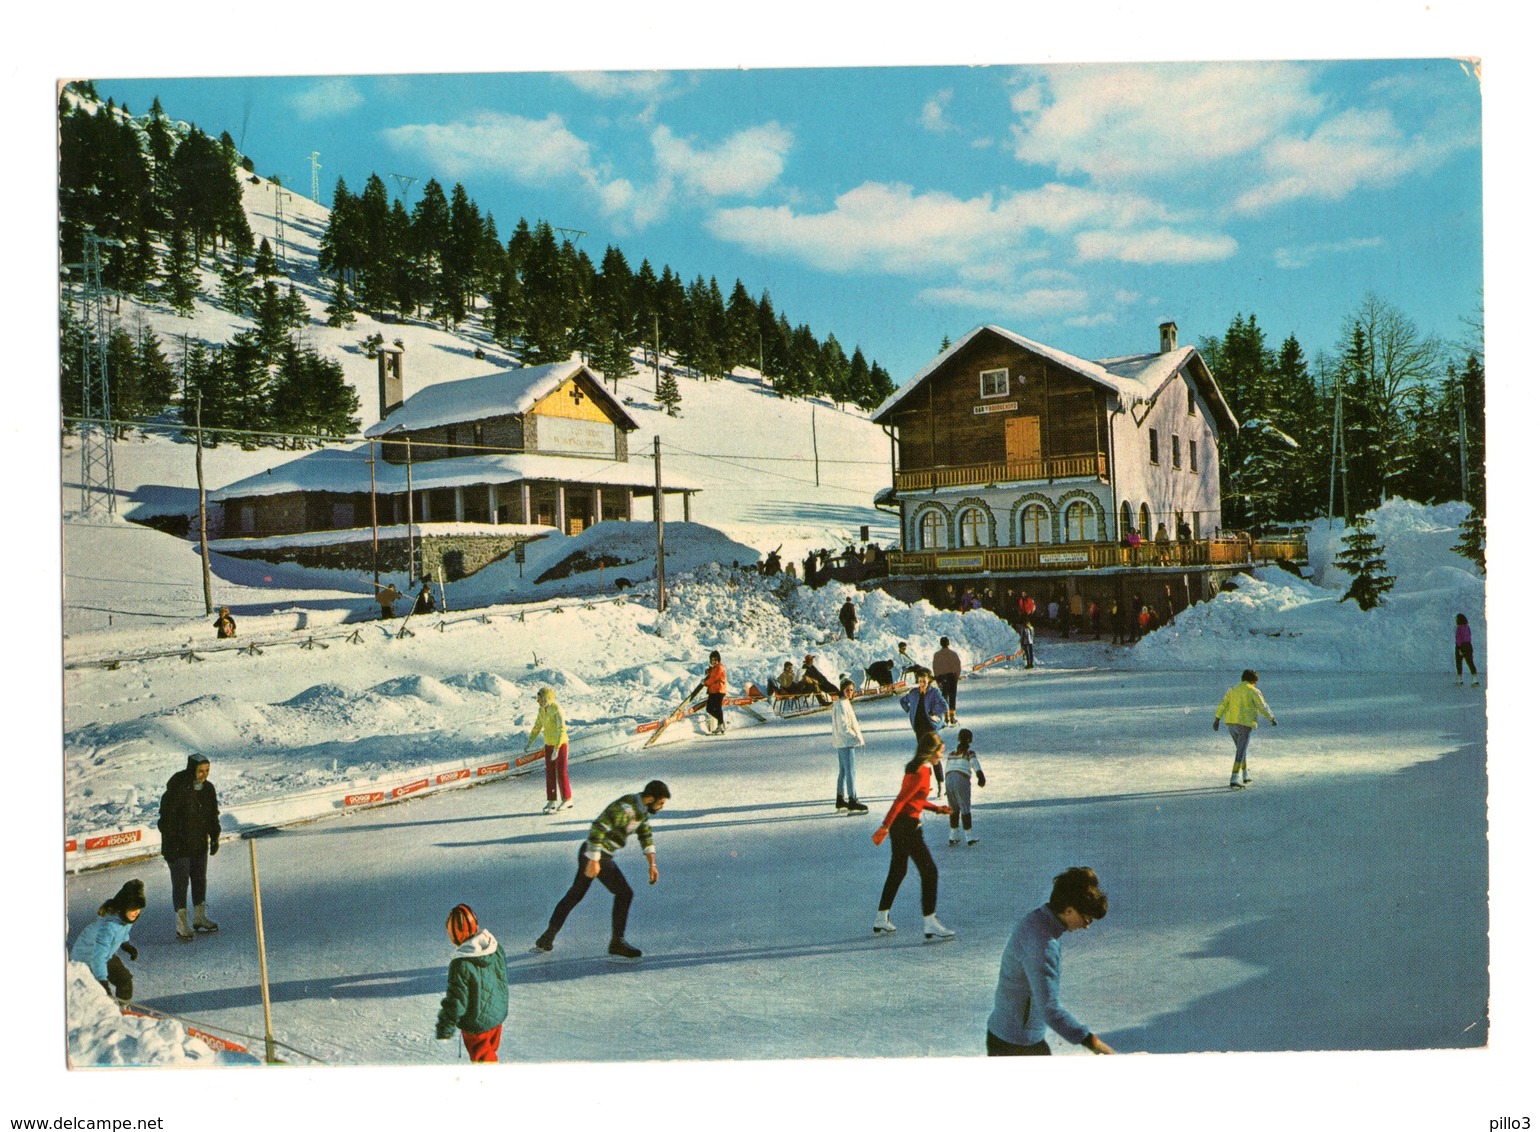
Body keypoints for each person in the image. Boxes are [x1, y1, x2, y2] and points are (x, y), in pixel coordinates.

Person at [533, 780, 671, 960]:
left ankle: (547, 937)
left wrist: (652, 864)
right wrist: (594, 859)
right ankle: (617, 943)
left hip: (595, 854)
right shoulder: (625, 807)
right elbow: (598, 827)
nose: (661, 807)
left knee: (575, 894)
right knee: (624, 893)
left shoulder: (642, 811)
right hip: (595, 854)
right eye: (660, 803)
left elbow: (645, 835)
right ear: (650, 798)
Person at [987, 867, 1116, 1056]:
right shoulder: (1043, 944)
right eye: (1086, 919)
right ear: (1070, 911)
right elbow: (1050, 1010)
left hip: (1013, 1035)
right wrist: (1093, 1043)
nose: (1087, 926)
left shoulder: (1037, 920)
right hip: (1016, 1045)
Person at [871, 732, 953, 940]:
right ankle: (930, 922)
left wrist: (936, 809)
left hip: (902, 825)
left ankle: (881, 917)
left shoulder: (919, 769)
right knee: (930, 871)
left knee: (898, 870)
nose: (940, 757)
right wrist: (884, 826)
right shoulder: (920, 772)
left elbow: (913, 799)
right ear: (930, 752)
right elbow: (901, 800)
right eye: (939, 753)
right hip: (906, 827)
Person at [157, 754, 222, 941]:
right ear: (191, 769)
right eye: (200, 770)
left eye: (207, 771)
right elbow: (165, 820)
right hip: (178, 847)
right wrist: (173, 841)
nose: (204, 775)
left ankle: (200, 917)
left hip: (199, 844)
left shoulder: (208, 789)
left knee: (200, 879)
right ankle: (181, 923)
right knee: (181, 883)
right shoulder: (178, 788)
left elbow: (212, 815)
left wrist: (215, 836)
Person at [435, 904, 508, 1063]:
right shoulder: (494, 947)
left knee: (483, 1061)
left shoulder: (460, 964)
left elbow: (456, 1001)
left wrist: (445, 1027)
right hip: (497, 1017)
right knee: (490, 1053)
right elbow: (501, 978)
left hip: (476, 1025)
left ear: (455, 934)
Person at [70, 879, 146, 1002]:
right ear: (124, 906)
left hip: (104, 954)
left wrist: (126, 944)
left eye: (139, 908)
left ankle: (123, 1008)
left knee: (124, 980)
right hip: (86, 958)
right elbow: (98, 957)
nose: (136, 912)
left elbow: (123, 930)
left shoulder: (125, 918)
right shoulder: (109, 927)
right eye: (133, 908)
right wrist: (102, 981)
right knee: (99, 995)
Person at [1213, 669, 1278, 789]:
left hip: (1231, 723)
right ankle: (1234, 777)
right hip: (1245, 724)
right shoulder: (1253, 691)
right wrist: (1272, 718)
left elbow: (1223, 704)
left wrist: (1217, 718)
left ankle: (1245, 773)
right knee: (1241, 751)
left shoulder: (1233, 690)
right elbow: (1262, 706)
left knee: (1241, 749)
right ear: (1253, 680)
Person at [526, 687, 572, 813]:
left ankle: (567, 799)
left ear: (546, 698)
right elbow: (537, 726)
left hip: (561, 744)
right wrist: (530, 741)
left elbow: (561, 729)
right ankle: (551, 800)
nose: (538, 701)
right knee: (550, 773)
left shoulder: (556, 709)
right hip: (548, 745)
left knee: (561, 772)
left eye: (539, 699)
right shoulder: (541, 710)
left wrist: (557, 747)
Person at [831, 678, 869, 814]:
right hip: (846, 742)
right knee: (850, 771)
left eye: (852, 690)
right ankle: (853, 800)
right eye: (847, 690)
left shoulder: (843, 703)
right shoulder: (841, 705)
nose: (850, 692)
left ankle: (840, 798)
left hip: (843, 742)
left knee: (843, 771)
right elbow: (843, 727)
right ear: (842, 690)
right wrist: (856, 737)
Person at [943, 728, 985, 846]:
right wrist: (981, 777)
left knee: (953, 808)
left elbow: (947, 768)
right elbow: (975, 765)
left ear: (958, 739)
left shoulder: (951, 754)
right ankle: (969, 837)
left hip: (949, 779)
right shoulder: (969, 753)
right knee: (965, 808)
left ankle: (953, 836)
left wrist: (947, 787)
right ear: (970, 741)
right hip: (961, 779)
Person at [899, 668, 946, 737]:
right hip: (918, 726)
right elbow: (903, 701)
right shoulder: (913, 693)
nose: (922, 683)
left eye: (924, 681)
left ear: (929, 680)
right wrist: (909, 710)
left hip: (931, 726)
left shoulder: (934, 692)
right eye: (920, 681)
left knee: (931, 746)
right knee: (922, 746)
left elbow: (944, 706)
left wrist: (933, 712)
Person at [931, 637, 963, 726]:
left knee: (944, 697)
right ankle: (952, 717)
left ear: (941, 644)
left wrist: (937, 678)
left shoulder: (937, 655)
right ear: (948, 643)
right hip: (952, 677)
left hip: (942, 678)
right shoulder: (953, 654)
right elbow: (958, 667)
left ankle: (946, 717)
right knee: (952, 697)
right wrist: (956, 677)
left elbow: (935, 667)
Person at [703, 650, 729, 734]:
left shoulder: (720, 667)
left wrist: (705, 683)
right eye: (712, 660)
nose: (713, 661)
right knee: (709, 708)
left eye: (715, 659)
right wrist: (708, 671)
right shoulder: (714, 668)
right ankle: (721, 723)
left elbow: (714, 678)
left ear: (718, 659)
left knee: (717, 707)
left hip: (719, 690)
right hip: (713, 691)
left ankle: (721, 725)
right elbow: (712, 674)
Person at [1454, 613, 1479, 686]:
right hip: (1468, 645)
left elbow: (1458, 639)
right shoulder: (1467, 627)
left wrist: (1459, 648)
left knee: (1459, 662)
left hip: (1461, 646)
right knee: (1470, 662)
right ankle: (1475, 680)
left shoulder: (1459, 628)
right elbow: (1469, 635)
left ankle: (1460, 680)